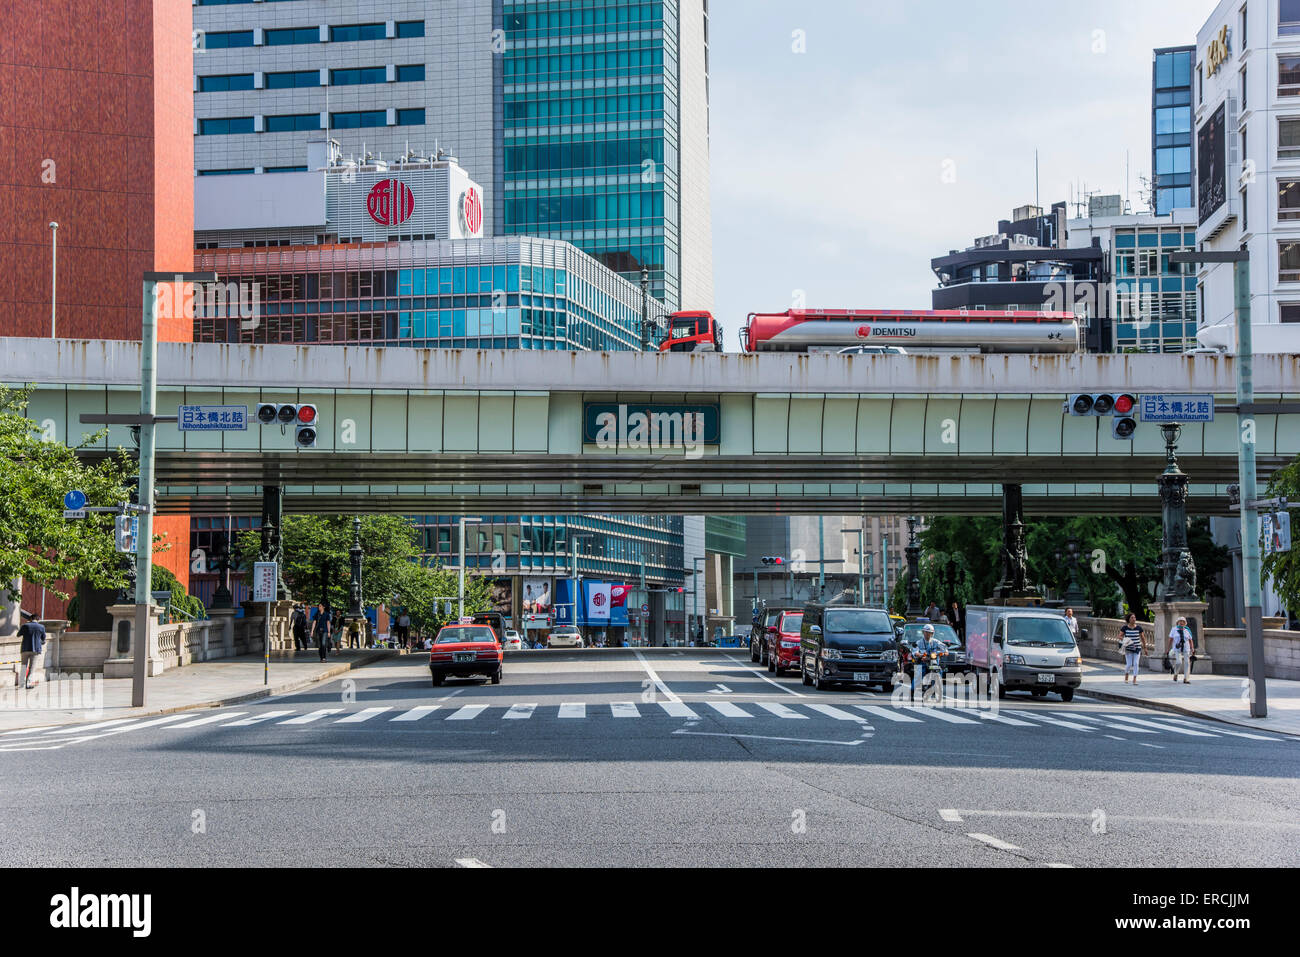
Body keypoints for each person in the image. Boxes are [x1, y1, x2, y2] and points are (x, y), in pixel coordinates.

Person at [910, 623, 945, 701]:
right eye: (926, 632)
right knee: (918, 674)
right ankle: (912, 692)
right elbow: (915, 652)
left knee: (939, 672)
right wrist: (920, 655)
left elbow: (944, 649)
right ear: (923, 632)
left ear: (932, 633)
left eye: (930, 633)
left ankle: (937, 690)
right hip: (922, 662)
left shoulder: (936, 642)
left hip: (933, 662)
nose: (928, 634)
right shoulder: (918, 642)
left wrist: (943, 653)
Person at [18, 616, 46, 690]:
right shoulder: (41, 627)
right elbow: (43, 639)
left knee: (24, 666)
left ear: (30, 619)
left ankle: (22, 684)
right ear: (38, 619)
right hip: (35, 649)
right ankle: (28, 683)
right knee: (32, 668)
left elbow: (18, 635)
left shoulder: (25, 626)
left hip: (25, 648)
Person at [1169, 616, 1195, 685]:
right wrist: (1168, 648)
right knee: (1179, 662)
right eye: (1180, 621)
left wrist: (1192, 648)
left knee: (1187, 662)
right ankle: (1175, 673)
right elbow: (1171, 639)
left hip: (1186, 648)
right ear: (1177, 622)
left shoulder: (1187, 630)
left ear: (1185, 623)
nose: (1182, 623)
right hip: (1177, 648)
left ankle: (1186, 678)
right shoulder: (1174, 629)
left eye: (1183, 622)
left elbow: (1190, 640)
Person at [1120, 613, 1143, 684]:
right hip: (1128, 648)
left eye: (1134, 618)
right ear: (1129, 619)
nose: (1134, 619)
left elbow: (1143, 638)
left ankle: (1134, 679)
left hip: (1137, 648)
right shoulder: (1125, 628)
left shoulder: (1139, 628)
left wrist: (1145, 648)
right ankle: (1126, 675)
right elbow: (1120, 636)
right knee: (1129, 664)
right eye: (1132, 618)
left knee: (1136, 663)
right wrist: (1126, 640)